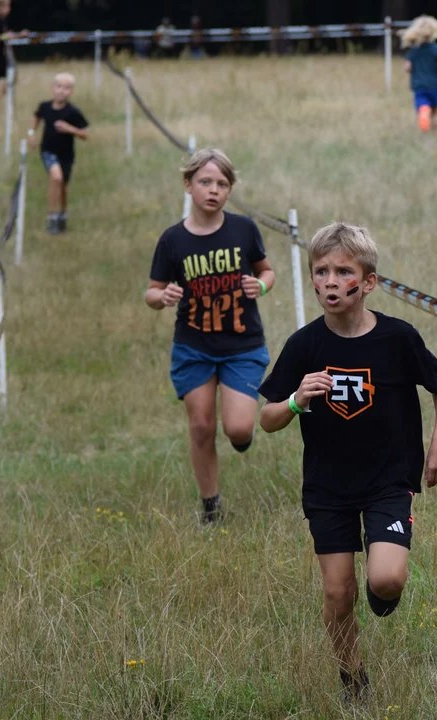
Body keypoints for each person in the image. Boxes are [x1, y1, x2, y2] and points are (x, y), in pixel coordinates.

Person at [257, 222, 437, 704]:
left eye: (342, 271)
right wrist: (297, 401)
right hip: (327, 487)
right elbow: (266, 418)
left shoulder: (397, 338)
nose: (329, 280)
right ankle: (352, 678)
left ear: (367, 282)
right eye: (320, 271)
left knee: (385, 580)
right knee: (336, 594)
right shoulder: (305, 345)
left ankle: (381, 591)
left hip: (388, 479)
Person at [144, 149, 276, 525]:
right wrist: (162, 296)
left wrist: (260, 286)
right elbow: (151, 292)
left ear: (230, 190)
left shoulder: (243, 230)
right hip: (194, 347)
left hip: (241, 345)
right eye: (205, 182)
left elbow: (268, 272)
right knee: (202, 425)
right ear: (188, 185)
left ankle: (241, 437)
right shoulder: (172, 240)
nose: (213, 190)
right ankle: (211, 506)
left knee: (237, 428)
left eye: (222, 184)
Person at [28, 73, 89, 234]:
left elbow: (85, 134)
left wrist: (69, 129)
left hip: (66, 155)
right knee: (56, 177)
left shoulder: (73, 112)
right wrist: (31, 133)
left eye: (67, 88)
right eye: (59, 86)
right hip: (48, 151)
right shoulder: (45, 107)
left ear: (71, 92)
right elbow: (36, 118)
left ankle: (62, 215)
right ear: (53, 88)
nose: (62, 91)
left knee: (63, 186)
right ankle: (52, 217)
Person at [400, 15, 437, 133]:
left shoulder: (413, 51)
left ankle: (424, 117)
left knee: (423, 107)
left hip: (419, 85)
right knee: (435, 111)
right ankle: (434, 133)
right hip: (434, 85)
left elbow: (407, 68)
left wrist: (414, 71)